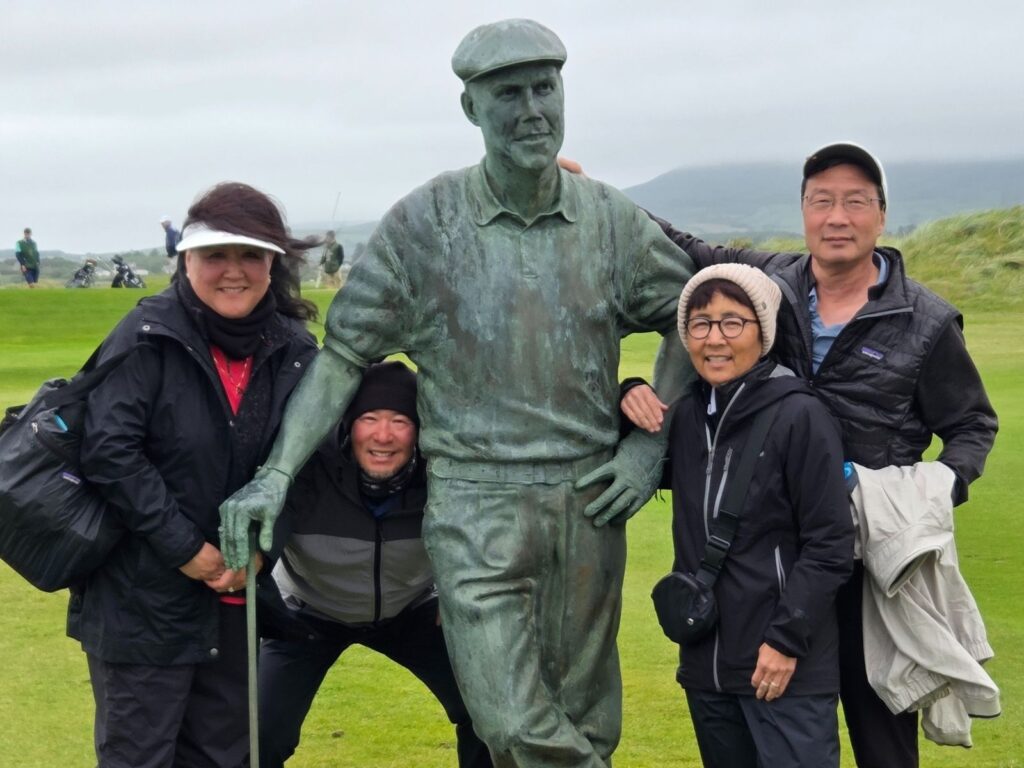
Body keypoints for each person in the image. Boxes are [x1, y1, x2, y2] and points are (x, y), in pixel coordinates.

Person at [221, 18, 696, 768]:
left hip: (588, 498)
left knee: (585, 713)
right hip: (475, 502)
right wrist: (277, 475)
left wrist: (647, 447)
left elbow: (695, 316)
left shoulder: (608, 220)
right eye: (509, 94)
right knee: (508, 720)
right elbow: (343, 357)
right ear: (472, 109)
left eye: (545, 88)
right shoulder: (424, 225)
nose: (533, 110)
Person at [621, 142, 998, 768]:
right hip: (775, 558)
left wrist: (928, 492)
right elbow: (688, 249)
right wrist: (587, 192)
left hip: (871, 561)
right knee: (786, 721)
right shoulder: (778, 283)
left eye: (855, 202)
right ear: (803, 212)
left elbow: (972, 425)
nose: (837, 217)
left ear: (881, 215)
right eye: (821, 201)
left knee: (883, 739)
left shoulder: (925, 321)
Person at [69, 182, 319, 768]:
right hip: (141, 604)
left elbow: (302, 465)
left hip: (236, 600)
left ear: (272, 265)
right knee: (141, 758)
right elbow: (110, 452)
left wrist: (260, 553)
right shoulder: (147, 334)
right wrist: (190, 551)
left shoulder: (294, 347)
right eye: (216, 256)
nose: (233, 271)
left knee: (224, 758)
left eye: (250, 255)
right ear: (187, 260)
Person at [660, 263, 853, 767]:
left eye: (732, 322)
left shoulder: (799, 415)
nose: (714, 339)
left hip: (782, 667)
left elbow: (831, 543)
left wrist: (786, 640)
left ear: (762, 331)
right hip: (707, 664)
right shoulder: (684, 418)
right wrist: (627, 390)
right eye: (700, 324)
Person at [258, 361, 491, 768]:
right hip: (309, 613)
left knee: (489, 717)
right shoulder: (307, 468)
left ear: (419, 430)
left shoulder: (444, 472)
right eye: (369, 418)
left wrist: (457, 590)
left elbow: (484, 535)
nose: (383, 435)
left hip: (413, 608)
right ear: (348, 425)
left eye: (400, 421)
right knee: (258, 737)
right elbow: (264, 544)